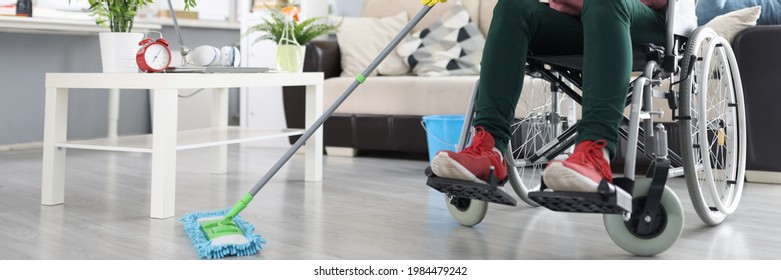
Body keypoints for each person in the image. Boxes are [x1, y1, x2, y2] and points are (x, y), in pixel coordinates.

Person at [425, 0, 668, 192]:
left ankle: (595, 152)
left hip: (641, 19)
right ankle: (489, 149)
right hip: (576, 20)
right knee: (513, 6)